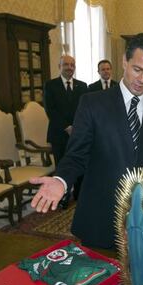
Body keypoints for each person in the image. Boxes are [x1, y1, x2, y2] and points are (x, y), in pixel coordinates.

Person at [31, 33, 143, 249]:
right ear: (124, 61)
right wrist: (61, 180)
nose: (142, 80)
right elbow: (76, 155)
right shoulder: (92, 103)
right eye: (137, 69)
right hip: (100, 213)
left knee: (138, 279)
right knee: (97, 280)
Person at [43, 55, 88, 208]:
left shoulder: (82, 86)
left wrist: (77, 127)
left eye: (72, 65)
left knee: (80, 164)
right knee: (62, 166)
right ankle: (62, 197)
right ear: (59, 66)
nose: (70, 67)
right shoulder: (50, 85)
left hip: (79, 133)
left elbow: (85, 110)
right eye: (66, 64)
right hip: (59, 134)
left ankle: (80, 195)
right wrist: (67, 127)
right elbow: (50, 110)